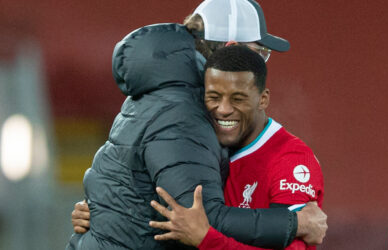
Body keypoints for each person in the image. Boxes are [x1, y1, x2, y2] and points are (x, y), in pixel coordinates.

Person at [67, 1, 327, 249]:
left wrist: (108, 212)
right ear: (232, 47)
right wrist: (295, 223)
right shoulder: (184, 111)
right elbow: (204, 219)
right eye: (259, 53)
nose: (261, 65)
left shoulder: (167, 89)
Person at [148, 45, 325, 250]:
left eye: (238, 99)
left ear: (263, 99)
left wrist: (205, 240)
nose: (223, 110)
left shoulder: (291, 160)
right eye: (214, 97)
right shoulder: (198, 151)